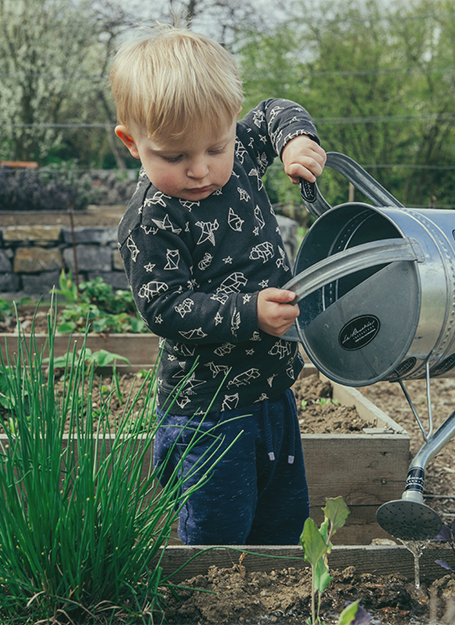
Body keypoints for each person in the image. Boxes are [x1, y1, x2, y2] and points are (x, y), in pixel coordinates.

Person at [110, 24, 327, 545]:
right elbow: (165, 307)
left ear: (231, 125)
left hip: (274, 395)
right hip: (208, 414)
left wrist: (296, 140)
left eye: (216, 147)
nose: (200, 170)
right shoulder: (151, 220)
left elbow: (276, 109)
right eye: (173, 156)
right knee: (219, 539)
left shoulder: (243, 154)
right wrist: (249, 312)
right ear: (131, 143)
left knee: (282, 524)